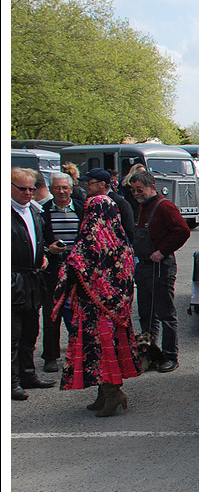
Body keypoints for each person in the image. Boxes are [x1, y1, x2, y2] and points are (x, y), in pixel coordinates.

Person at [52, 194, 140, 416]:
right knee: (109, 347)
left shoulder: (89, 239)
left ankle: (112, 393)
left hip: (94, 307)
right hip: (117, 308)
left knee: (98, 351)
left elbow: (74, 266)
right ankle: (105, 392)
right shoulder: (120, 240)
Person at [128, 169, 190, 373]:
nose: (137, 193)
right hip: (144, 268)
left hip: (161, 268)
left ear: (151, 187)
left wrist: (163, 251)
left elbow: (182, 231)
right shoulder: (141, 207)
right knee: (146, 314)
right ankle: (150, 355)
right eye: (133, 190)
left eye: (140, 189)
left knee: (166, 314)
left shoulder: (165, 207)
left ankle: (171, 355)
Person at [11, 167, 55, 399]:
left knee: (30, 332)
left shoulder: (34, 210)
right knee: (12, 335)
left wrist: (44, 254)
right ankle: (11, 382)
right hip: (13, 279)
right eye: (23, 189)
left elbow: (39, 240)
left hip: (32, 279)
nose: (28, 193)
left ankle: (28, 374)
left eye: (32, 188)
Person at [39, 173, 86, 373]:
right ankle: (50, 357)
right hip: (53, 270)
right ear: (51, 189)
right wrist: (48, 249)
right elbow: (38, 240)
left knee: (79, 314)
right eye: (57, 188)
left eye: (64, 188)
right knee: (52, 314)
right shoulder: (43, 211)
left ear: (71, 188)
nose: (61, 191)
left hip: (78, 271)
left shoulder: (82, 208)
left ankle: (81, 354)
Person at [81, 168, 135, 244]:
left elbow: (129, 230)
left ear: (102, 184)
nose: (86, 186)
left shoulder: (120, 203)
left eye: (89, 183)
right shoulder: (88, 202)